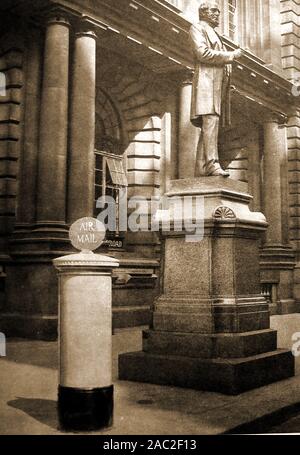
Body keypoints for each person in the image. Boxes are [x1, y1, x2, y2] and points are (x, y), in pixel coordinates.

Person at [190, 1, 242, 177]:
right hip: (206, 85)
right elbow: (202, 53)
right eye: (213, 11)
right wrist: (231, 56)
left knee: (210, 128)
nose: (217, 14)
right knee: (210, 123)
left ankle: (201, 168)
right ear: (203, 13)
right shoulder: (197, 28)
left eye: (218, 11)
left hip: (217, 87)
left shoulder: (214, 33)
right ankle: (212, 164)